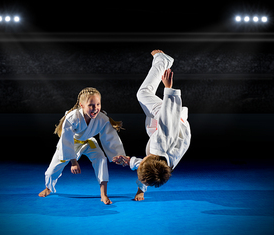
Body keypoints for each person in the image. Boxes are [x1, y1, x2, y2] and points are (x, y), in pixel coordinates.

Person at [113, 50, 191, 201]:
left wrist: (129, 161)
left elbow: (148, 168)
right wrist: (169, 89)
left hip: (171, 130)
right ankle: (163, 61)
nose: (142, 160)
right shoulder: (163, 141)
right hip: (171, 118)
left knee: (148, 162)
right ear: (150, 158)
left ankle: (162, 62)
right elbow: (169, 118)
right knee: (142, 93)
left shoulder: (164, 166)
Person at [38, 87, 125, 205]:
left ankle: (103, 194)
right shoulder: (72, 118)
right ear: (82, 106)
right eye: (91, 105)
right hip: (71, 143)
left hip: (88, 142)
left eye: (98, 104)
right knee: (52, 170)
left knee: (101, 159)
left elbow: (110, 138)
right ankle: (48, 187)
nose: (96, 108)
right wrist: (73, 162)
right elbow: (66, 140)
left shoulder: (102, 119)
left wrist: (118, 155)